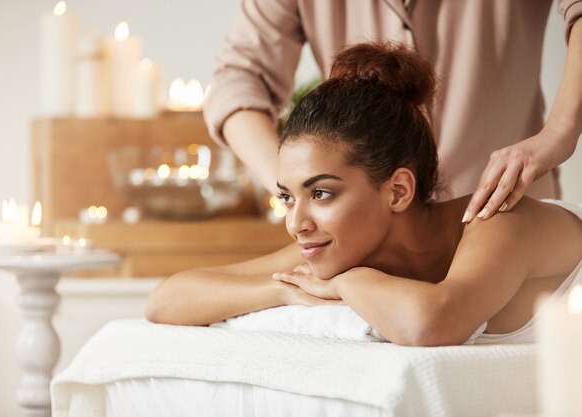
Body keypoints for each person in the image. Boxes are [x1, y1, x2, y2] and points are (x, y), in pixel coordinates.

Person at [146, 42, 582, 346]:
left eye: (320, 193)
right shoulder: (344, 246)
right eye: (287, 197)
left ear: (397, 191)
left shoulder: (498, 221)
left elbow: (432, 323)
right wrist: (282, 291)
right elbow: (166, 300)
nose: (297, 224)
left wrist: (341, 282)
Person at [203, 0, 582, 224]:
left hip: (505, 216)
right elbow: (238, 78)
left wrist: (559, 134)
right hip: (366, 241)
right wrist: (295, 189)